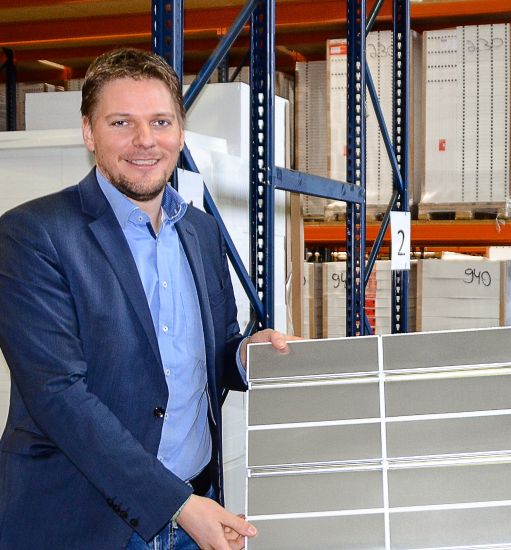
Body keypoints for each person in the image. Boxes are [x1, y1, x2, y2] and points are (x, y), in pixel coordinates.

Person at [0, 48, 294, 549]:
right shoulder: (33, 235)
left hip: (195, 507)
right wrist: (176, 504)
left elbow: (212, 352)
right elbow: (59, 396)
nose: (145, 140)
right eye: (121, 122)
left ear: (180, 131)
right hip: (85, 523)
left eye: (161, 121)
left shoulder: (200, 232)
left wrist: (246, 355)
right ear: (89, 132)